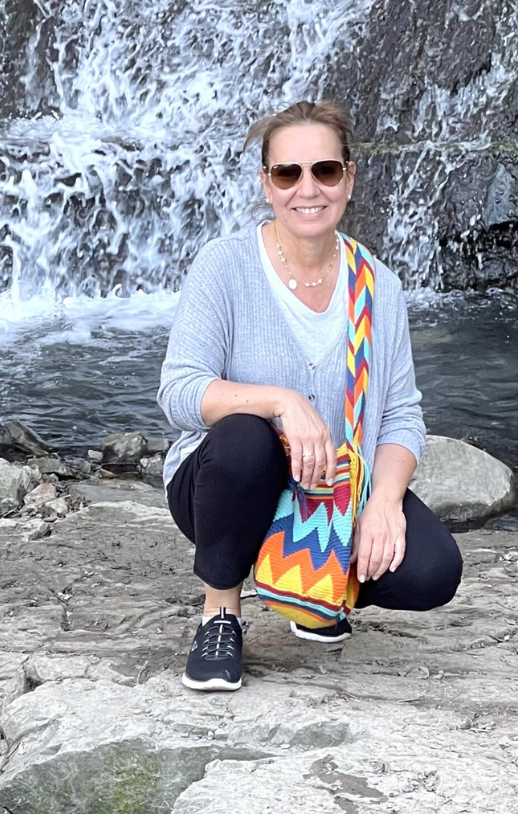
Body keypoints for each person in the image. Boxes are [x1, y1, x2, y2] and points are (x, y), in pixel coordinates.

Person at [157, 100, 462, 692]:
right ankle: (220, 614)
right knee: (245, 438)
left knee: (432, 570)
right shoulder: (225, 266)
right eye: (287, 173)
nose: (307, 189)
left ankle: (313, 593)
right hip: (222, 489)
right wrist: (280, 401)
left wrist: (384, 503)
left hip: (331, 497)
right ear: (266, 183)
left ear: (348, 177)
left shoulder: (378, 286)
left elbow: (402, 414)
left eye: (324, 170)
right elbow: (180, 390)